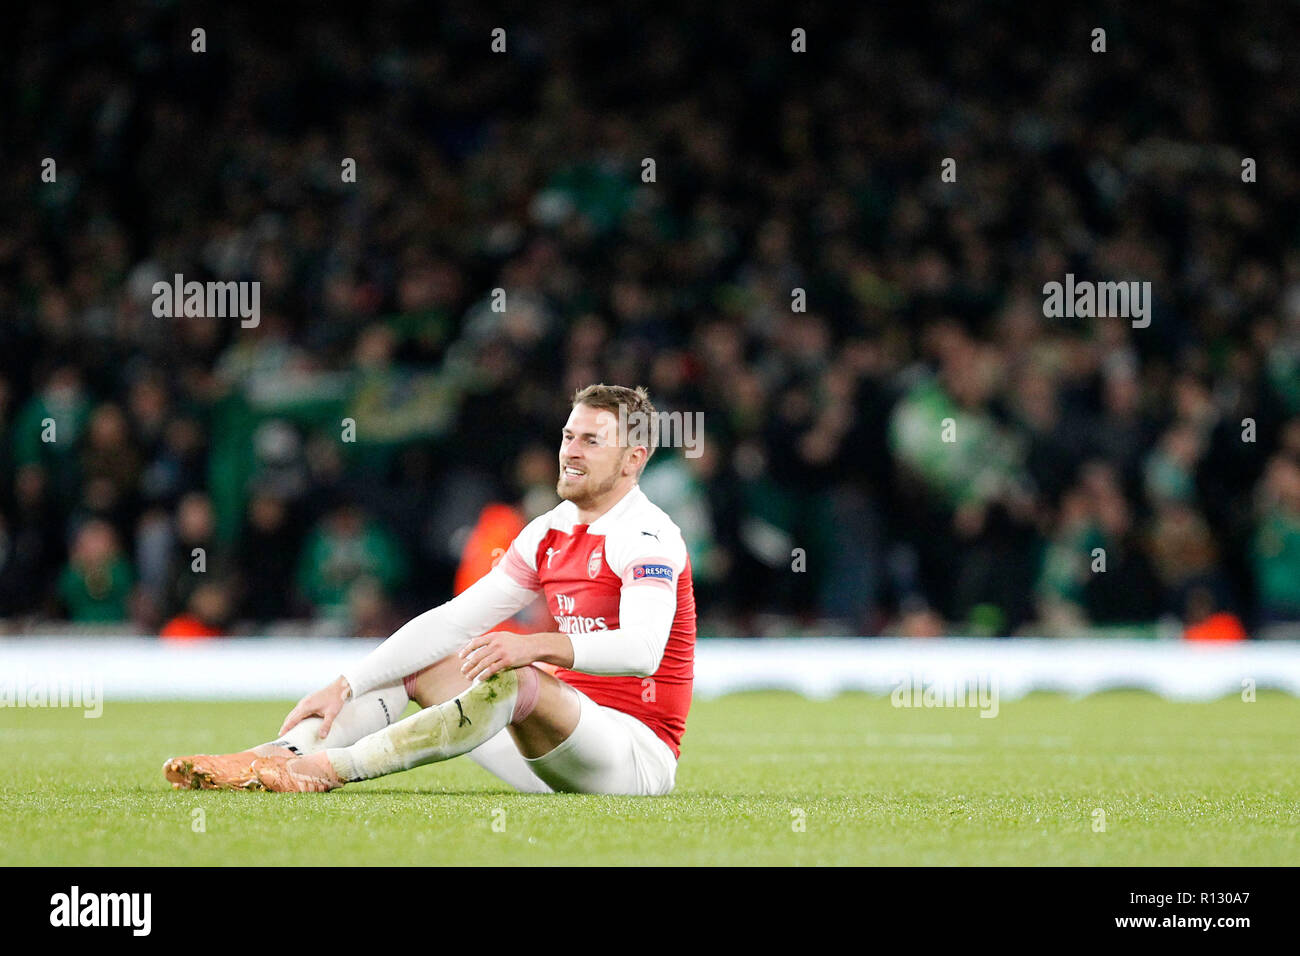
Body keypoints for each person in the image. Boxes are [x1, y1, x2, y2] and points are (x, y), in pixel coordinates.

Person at [163, 385, 695, 796]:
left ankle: (326, 769)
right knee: (422, 663)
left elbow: (642, 651)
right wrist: (347, 684)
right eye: (567, 436)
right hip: (556, 751)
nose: (570, 452)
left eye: (591, 440)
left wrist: (533, 646)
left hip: (631, 759)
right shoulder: (549, 531)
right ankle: (276, 755)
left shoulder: (648, 537)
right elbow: (453, 620)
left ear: (634, 460)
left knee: (514, 679)